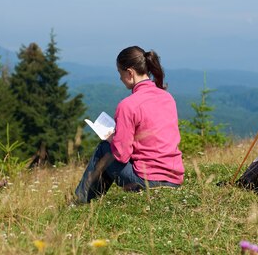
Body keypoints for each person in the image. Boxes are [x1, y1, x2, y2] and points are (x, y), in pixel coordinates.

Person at [74, 46, 185, 203]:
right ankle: (86, 202)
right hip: (174, 180)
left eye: (120, 74)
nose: (120, 78)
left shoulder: (128, 105)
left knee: (104, 149)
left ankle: (81, 202)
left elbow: (121, 155)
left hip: (147, 181)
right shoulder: (167, 98)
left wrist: (112, 139)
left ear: (130, 73)